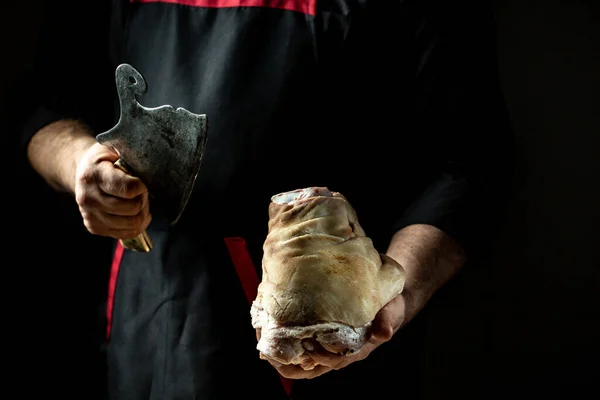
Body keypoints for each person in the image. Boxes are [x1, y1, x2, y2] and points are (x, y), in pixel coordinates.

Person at [21, 0, 513, 398]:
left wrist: (394, 294)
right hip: (158, 301)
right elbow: (46, 111)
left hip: (343, 318)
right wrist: (80, 163)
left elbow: (467, 165)